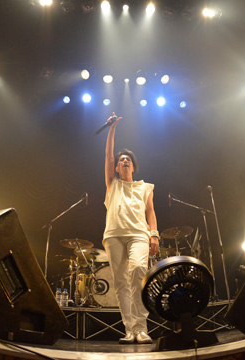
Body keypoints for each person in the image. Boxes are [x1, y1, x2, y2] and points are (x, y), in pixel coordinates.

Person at [103, 113, 159, 344]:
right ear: (117, 167)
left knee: (138, 272)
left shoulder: (145, 187)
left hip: (138, 234)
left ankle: (141, 328)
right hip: (114, 235)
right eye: (121, 160)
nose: (124, 161)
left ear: (133, 166)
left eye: (128, 159)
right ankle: (129, 330)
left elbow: (150, 213)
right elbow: (108, 156)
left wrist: (154, 235)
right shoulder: (112, 184)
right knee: (120, 282)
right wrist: (112, 129)